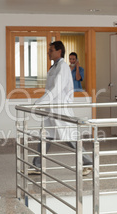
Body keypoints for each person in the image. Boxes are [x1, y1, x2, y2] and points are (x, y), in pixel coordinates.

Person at [31, 41, 92, 176]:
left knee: (70, 137)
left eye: (51, 50)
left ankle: (88, 163)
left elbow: (56, 89)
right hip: (51, 108)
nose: (49, 52)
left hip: (60, 109)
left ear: (59, 51)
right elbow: (50, 90)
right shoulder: (54, 67)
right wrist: (41, 102)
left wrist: (38, 103)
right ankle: (37, 165)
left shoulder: (63, 67)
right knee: (47, 136)